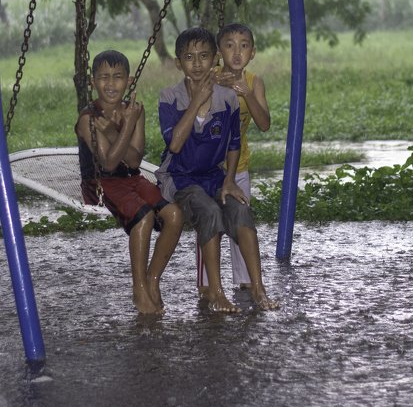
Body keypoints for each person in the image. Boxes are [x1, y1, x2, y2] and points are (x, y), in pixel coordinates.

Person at [156, 26, 278, 312]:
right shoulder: (169, 97)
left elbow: (234, 142)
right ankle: (215, 291)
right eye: (189, 57)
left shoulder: (229, 97)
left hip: (215, 176)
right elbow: (174, 145)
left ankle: (259, 289)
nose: (197, 64)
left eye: (203, 57)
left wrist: (229, 180)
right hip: (180, 177)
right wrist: (197, 99)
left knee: (240, 208)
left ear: (213, 60)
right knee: (209, 212)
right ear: (178, 63)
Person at [76, 50, 183, 315]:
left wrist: (117, 129)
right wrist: (123, 128)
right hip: (101, 184)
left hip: (131, 179)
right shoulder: (88, 118)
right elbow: (109, 163)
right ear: (93, 82)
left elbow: (134, 161)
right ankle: (138, 290)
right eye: (103, 78)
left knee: (174, 215)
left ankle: (152, 279)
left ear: (129, 80)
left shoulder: (134, 110)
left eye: (117, 77)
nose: (110, 84)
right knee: (144, 217)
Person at [193, 23, 270, 295]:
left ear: (253, 52)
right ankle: (206, 283)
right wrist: (215, 86)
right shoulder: (209, 77)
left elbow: (264, 124)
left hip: (239, 166)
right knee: (209, 222)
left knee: (241, 220)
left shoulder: (253, 83)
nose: (237, 52)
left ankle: (246, 278)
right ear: (219, 52)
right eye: (229, 45)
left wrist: (246, 93)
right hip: (209, 166)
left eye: (244, 45)